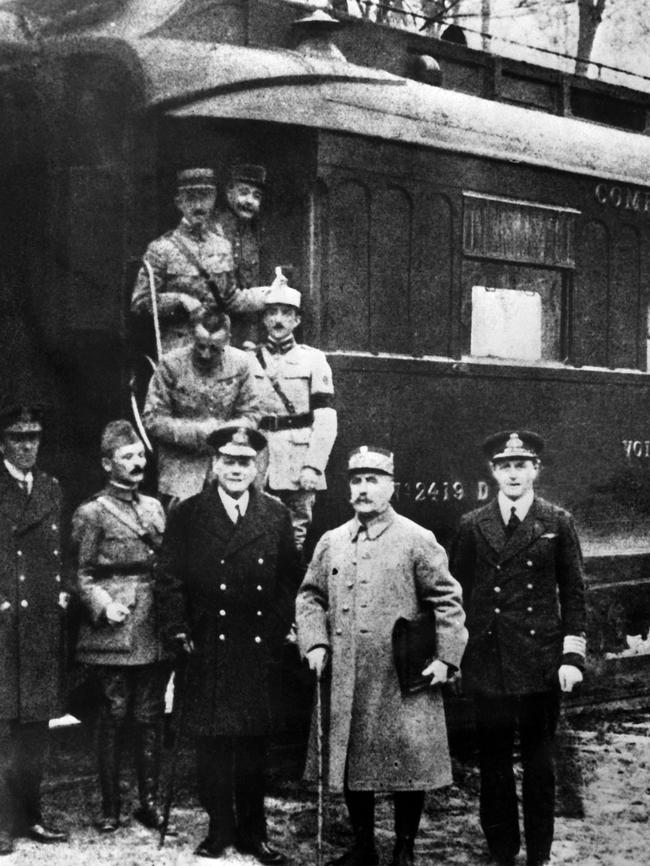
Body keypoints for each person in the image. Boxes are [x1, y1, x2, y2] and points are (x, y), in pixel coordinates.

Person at [296, 446, 467, 866]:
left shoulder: (416, 539)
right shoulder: (331, 541)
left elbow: (448, 601)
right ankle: (363, 846)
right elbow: (310, 597)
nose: (364, 489)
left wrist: (446, 658)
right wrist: (314, 642)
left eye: (373, 480)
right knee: (354, 761)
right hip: (348, 674)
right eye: (356, 480)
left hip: (402, 674)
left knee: (408, 763)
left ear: (391, 486)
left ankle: (404, 848)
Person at [155, 420, 302, 862]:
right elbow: (169, 579)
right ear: (214, 464)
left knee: (254, 743)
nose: (236, 469)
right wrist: (178, 628)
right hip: (206, 644)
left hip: (256, 645)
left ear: (256, 467)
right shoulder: (187, 513)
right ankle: (219, 828)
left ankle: (254, 833)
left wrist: (276, 630)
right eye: (227, 461)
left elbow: (289, 580)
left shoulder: (274, 514)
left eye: (244, 462)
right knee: (212, 742)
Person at [450, 431, 587, 866]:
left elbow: (575, 592)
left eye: (521, 465)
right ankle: (503, 852)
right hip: (489, 663)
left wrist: (571, 656)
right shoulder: (472, 525)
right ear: (493, 472)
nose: (513, 473)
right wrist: (454, 655)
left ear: (535, 471)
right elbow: (457, 594)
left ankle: (539, 855)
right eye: (505, 466)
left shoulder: (557, 522)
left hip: (540, 664)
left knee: (540, 767)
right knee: (493, 768)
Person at [71, 420, 170, 834]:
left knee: (149, 715)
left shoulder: (153, 507)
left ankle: (148, 803)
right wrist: (103, 604)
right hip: (114, 626)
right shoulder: (91, 513)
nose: (136, 462)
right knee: (113, 715)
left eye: (140, 456)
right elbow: (80, 573)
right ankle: (111, 807)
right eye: (126, 456)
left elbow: (165, 564)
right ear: (106, 463)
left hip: (152, 624)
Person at [0, 403, 69, 855]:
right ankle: (3, 822)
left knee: (36, 729)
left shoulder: (50, 488)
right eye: (19, 438)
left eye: (35, 437)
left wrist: (60, 593)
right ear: (3, 441)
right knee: (3, 727)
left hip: (41, 621)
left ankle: (31, 816)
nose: (28, 446)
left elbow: (58, 549)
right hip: (4, 623)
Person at [131, 168, 266, 356]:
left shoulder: (222, 247)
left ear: (213, 200)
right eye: (191, 198)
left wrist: (268, 295)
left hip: (217, 347)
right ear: (179, 202)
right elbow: (140, 303)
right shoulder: (161, 249)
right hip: (179, 350)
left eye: (205, 198)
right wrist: (179, 301)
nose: (199, 205)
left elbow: (231, 299)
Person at [250, 268, 337, 553]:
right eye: (272, 312)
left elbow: (325, 418)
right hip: (259, 460)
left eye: (286, 313)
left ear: (297, 320)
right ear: (263, 318)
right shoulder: (248, 360)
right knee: (254, 532)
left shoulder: (313, 360)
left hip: (297, 461)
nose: (278, 319)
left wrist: (314, 465)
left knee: (295, 537)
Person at [142, 308, 261, 506]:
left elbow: (252, 413)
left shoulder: (241, 364)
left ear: (228, 340)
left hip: (227, 469)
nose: (206, 354)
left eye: (214, 348)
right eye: (200, 346)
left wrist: (225, 431)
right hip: (180, 473)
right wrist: (197, 431)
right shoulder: (171, 365)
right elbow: (152, 418)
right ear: (191, 335)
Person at [212, 163, 267, 347]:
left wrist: (251, 340)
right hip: (212, 330)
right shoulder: (214, 229)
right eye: (243, 192)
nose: (249, 201)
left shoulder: (252, 236)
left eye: (256, 196)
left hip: (241, 335)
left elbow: (252, 284)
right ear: (229, 193)